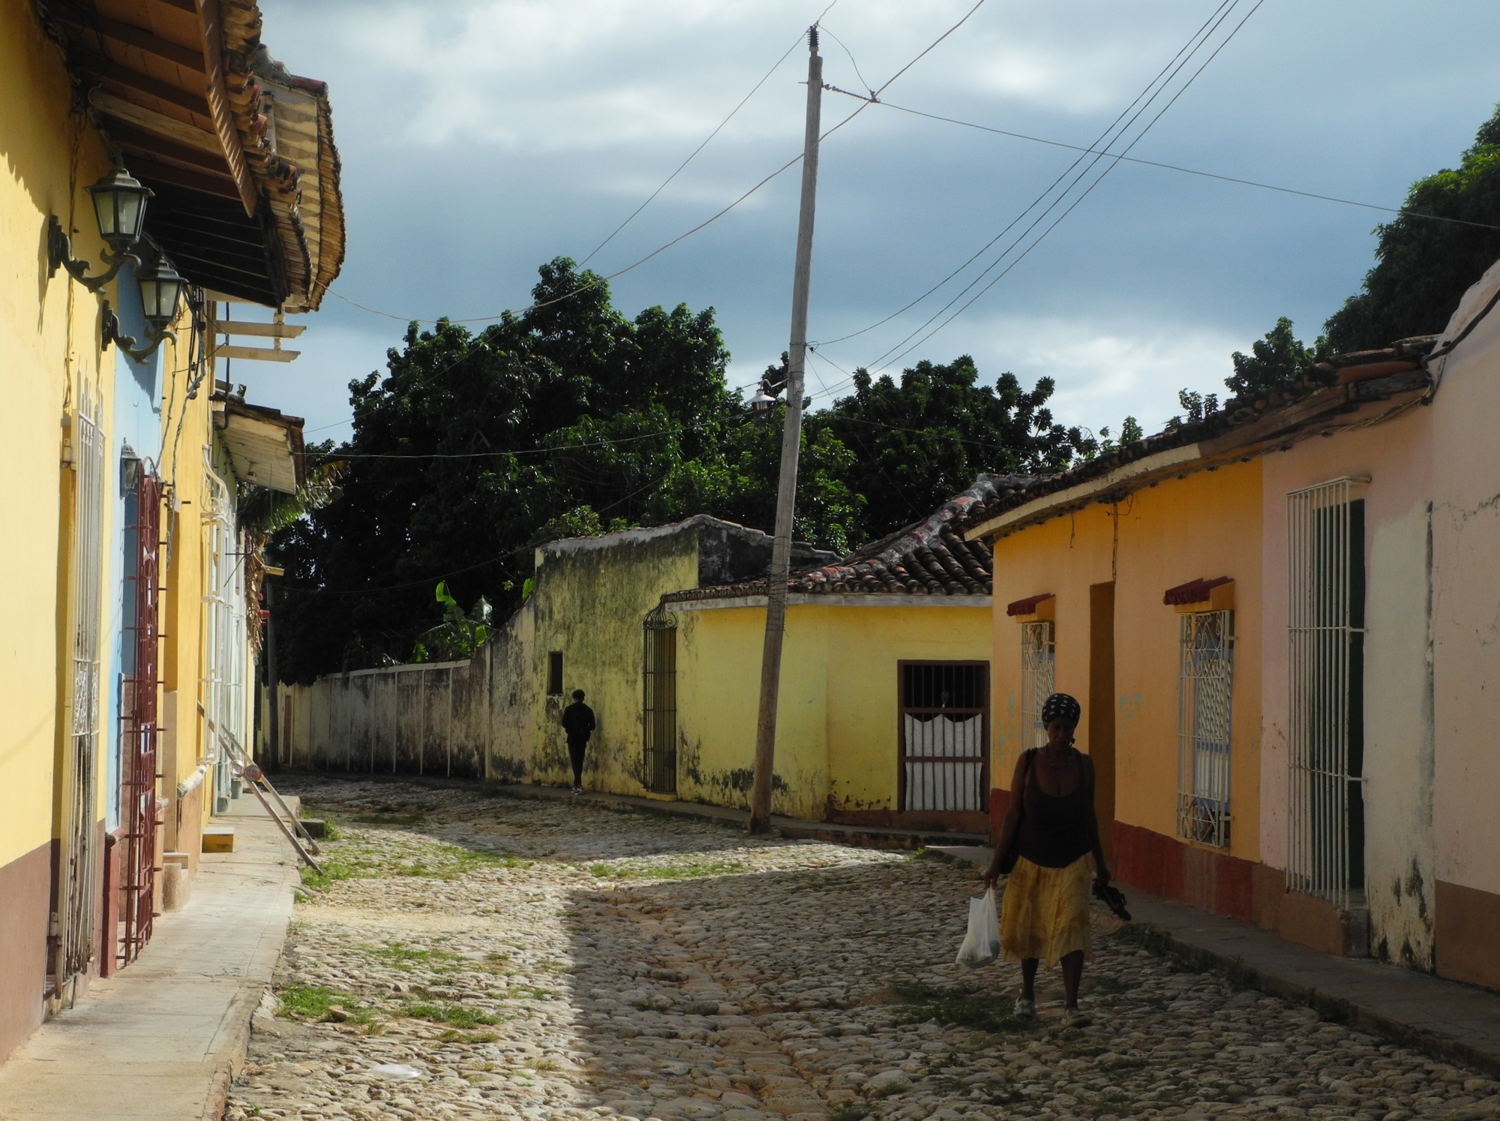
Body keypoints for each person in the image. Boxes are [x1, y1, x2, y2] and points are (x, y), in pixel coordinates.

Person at [983, 692, 1111, 1027]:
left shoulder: (1084, 765)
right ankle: (1027, 996)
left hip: (1073, 860)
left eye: (1067, 728)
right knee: (1030, 931)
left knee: (1072, 926)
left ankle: (1071, 1006)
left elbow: (1090, 816)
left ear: (1074, 730)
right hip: (1031, 860)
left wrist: (1101, 863)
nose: (1060, 734)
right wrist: (996, 864)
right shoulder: (1027, 762)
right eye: (1055, 727)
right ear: (1046, 727)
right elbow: (1012, 816)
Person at [561, 689, 595, 795]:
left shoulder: (569, 709)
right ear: (583, 698)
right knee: (580, 760)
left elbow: (564, 723)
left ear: (573, 698)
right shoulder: (588, 710)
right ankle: (577, 783)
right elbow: (593, 726)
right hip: (582, 738)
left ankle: (577, 784)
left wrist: (571, 728)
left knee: (575, 760)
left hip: (572, 738)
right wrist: (585, 728)